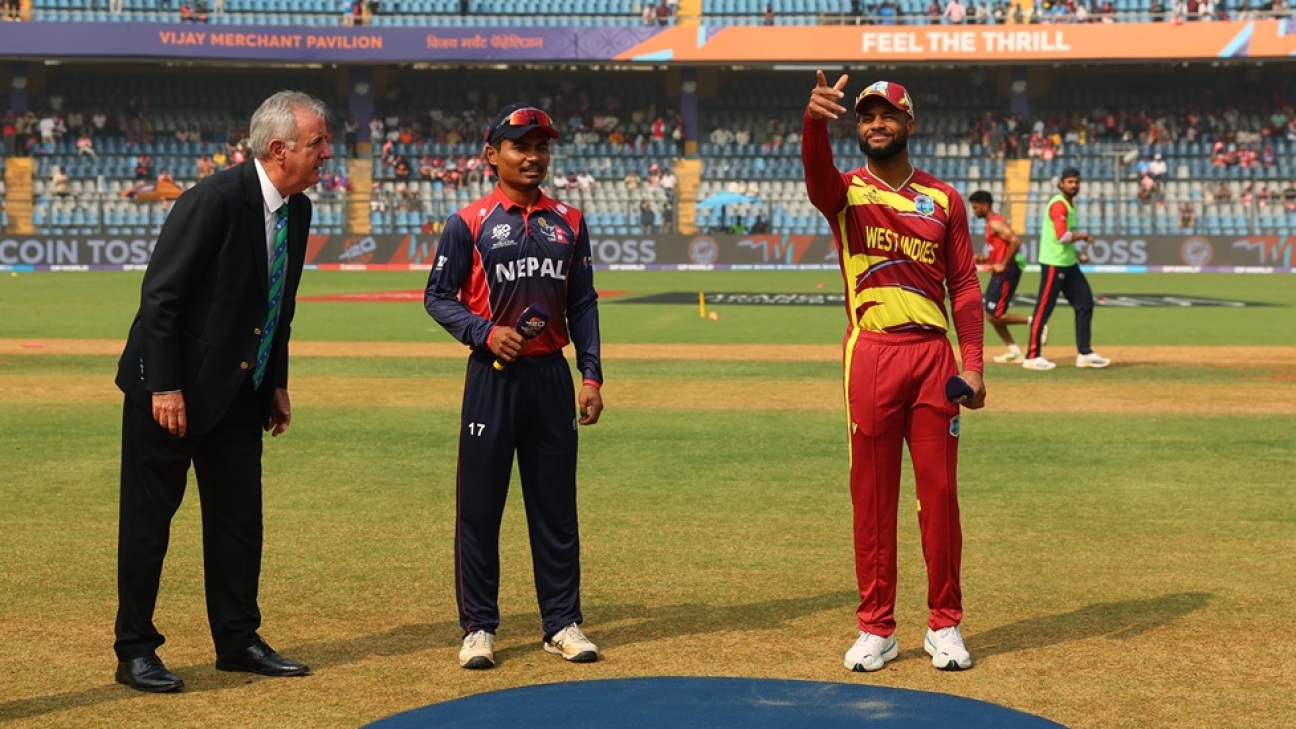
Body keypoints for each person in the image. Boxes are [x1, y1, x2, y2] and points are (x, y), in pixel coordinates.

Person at [112, 91, 332, 693]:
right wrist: (165, 386)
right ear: (279, 148)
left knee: (238, 522)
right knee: (148, 524)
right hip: (169, 391)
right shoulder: (211, 200)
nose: (326, 154)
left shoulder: (299, 210)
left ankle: (237, 641)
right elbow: (160, 297)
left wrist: (275, 380)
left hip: (240, 389)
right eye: (318, 143)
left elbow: (278, 305)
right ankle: (135, 649)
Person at [803, 73, 985, 674]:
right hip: (872, 355)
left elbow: (964, 286)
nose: (876, 124)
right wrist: (813, 123)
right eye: (866, 116)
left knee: (940, 497)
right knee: (873, 498)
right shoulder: (845, 193)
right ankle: (876, 628)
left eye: (887, 115)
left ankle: (945, 624)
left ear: (910, 123)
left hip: (933, 358)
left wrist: (974, 365)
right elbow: (816, 177)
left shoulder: (944, 199)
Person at [424, 103, 605, 671]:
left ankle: (562, 623)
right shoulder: (468, 222)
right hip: (492, 378)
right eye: (520, 146)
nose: (533, 157)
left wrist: (591, 374)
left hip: (551, 378)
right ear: (492, 154)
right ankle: (479, 627)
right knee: (480, 508)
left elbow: (583, 303)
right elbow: (437, 297)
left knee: (555, 509)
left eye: (541, 147)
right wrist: (484, 333)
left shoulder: (570, 221)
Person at [1021, 167, 1110, 371]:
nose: (1073, 185)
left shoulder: (1069, 204)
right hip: (1054, 263)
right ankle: (1032, 356)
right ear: (1061, 183)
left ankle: (1084, 354)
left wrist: (1077, 254)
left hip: (1068, 263)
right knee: (1043, 309)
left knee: (1085, 303)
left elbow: (1065, 238)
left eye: (1076, 182)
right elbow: (1062, 237)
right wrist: (1084, 236)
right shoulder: (1059, 204)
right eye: (1070, 182)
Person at [969, 190, 1039, 364]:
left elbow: (1015, 241)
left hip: (1006, 273)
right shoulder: (991, 224)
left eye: (976, 207)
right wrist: (986, 259)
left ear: (985, 205)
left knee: (994, 315)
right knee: (991, 314)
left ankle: (1034, 321)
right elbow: (1001, 250)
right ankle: (1014, 351)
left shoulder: (995, 223)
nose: (974, 211)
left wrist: (1003, 264)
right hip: (1000, 272)